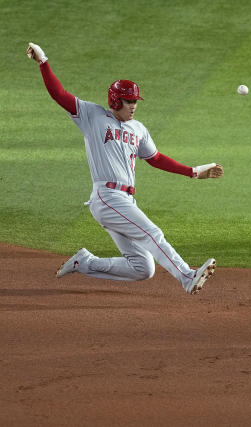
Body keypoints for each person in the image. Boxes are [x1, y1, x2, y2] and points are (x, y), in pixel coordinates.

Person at [27, 42, 223, 295]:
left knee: (143, 268)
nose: (133, 106)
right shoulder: (92, 116)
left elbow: (155, 158)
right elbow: (59, 94)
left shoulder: (138, 129)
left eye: (135, 101)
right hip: (106, 197)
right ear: (114, 100)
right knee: (152, 232)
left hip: (126, 200)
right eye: (128, 101)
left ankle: (85, 262)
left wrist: (193, 171)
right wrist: (44, 62)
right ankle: (187, 276)